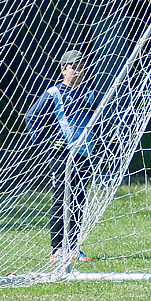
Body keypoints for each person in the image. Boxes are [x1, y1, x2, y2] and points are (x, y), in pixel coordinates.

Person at [25, 49, 96, 262]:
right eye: (74, 67)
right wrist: (48, 142)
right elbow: (32, 118)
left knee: (79, 200)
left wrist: (97, 142)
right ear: (63, 69)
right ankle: (57, 248)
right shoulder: (54, 93)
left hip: (85, 154)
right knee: (61, 198)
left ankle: (73, 246)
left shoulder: (89, 94)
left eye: (82, 67)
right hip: (62, 155)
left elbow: (94, 123)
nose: (79, 71)